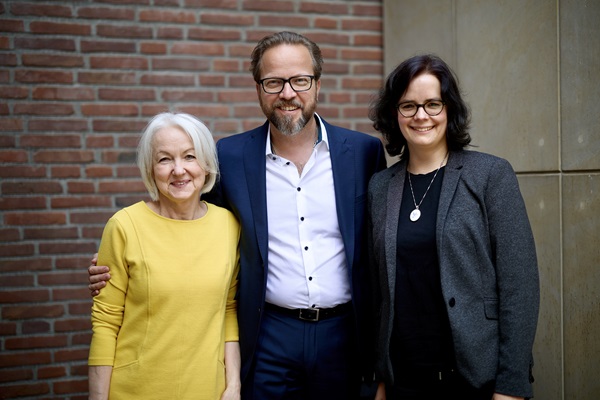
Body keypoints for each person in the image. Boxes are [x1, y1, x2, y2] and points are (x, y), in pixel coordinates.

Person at [88, 31, 387, 399]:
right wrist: (122, 263)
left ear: (317, 84)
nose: (288, 93)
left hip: (344, 333)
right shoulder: (229, 156)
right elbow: (190, 217)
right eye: (274, 82)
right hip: (267, 334)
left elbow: (381, 240)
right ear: (258, 88)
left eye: (300, 80)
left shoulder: (363, 153)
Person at [367, 54, 540, 400]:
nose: (421, 116)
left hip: (476, 380)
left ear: (450, 109)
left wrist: (512, 385)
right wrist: (379, 379)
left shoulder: (490, 175)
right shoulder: (381, 187)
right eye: (408, 106)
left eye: (433, 104)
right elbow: (377, 294)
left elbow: (520, 288)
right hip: (404, 380)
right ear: (394, 114)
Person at [87, 112, 241, 400]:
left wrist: (233, 386)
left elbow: (228, 310)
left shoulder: (229, 226)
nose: (179, 170)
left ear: (206, 164)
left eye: (190, 156)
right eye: (164, 159)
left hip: (209, 389)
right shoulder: (124, 226)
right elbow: (106, 323)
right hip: (136, 390)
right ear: (150, 168)